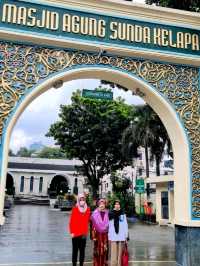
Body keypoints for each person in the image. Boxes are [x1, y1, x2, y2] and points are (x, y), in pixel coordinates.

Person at [69, 193, 90, 266]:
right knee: (75, 251)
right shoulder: (75, 209)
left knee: (82, 251)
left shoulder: (87, 209)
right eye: (80, 199)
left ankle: (81, 264)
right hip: (75, 234)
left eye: (83, 199)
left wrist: (86, 233)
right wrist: (72, 232)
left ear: (85, 200)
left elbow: (87, 222)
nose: (82, 200)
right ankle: (74, 264)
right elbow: (71, 222)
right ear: (78, 200)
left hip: (83, 234)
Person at [108, 200, 129, 266]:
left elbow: (125, 225)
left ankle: (119, 264)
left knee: (120, 254)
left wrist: (126, 236)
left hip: (121, 236)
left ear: (120, 205)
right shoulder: (110, 214)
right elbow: (109, 226)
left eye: (118, 204)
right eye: (116, 204)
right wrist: (109, 236)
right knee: (113, 253)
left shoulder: (122, 214)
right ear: (114, 205)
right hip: (113, 236)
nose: (117, 205)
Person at [91, 198, 109, 266]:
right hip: (97, 236)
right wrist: (93, 237)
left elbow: (110, 224)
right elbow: (92, 227)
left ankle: (104, 264)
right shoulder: (94, 213)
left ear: (105, 205)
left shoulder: (108, 213)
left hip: (105, 235)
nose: (102, 205)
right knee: (97, 252)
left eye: (103, 204)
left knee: (105, 251)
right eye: (100, 204)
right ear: (98, 204)